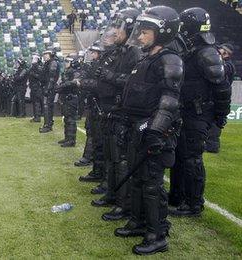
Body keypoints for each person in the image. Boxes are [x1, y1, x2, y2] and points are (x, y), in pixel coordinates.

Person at [114, 6, 183, 255]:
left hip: (155, 132)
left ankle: (157, 234)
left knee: (153, 185)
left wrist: (156, 131)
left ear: (162, 32)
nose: (139, 37)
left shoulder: (169, 59)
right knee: (139, 179)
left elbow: (169, 100)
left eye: (145, 32)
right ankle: (138, 222)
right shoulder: (146, 58)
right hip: (139, 128)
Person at [169, 7, 232, 217]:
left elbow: (222, 87)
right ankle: (176, 195)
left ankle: (194, 204)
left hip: (198, 114)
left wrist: (220, 117)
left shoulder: (206, 52)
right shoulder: (192, 50)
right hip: (185, 112)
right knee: (179, 155)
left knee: (192, 158)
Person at [90, 8, 142, 222]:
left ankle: (123, 204)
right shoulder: (119, 51)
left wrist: (109, 75)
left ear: (129, 28)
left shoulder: (135, 53)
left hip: (121, 111)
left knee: (121, 160)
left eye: (118, 28)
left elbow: (133, 83)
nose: (114, 32)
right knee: (112, 157)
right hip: (109, 110)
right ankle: (112, 194)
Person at [206, 43, 235, 153]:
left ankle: (212, 146)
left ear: (226, 53)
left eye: (222, 51)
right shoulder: (224, 64)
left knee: (215, 123)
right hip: (214, 96)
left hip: (218, 97)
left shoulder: (228, 66)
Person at [55, 58, 81, 147]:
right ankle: (67, 138)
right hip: (66, 97)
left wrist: (61, 86)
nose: (65, 63)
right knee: (66, 118)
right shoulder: (66, 72)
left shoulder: (76, 72)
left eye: (67, 62)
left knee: (70, 119)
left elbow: (73, 82)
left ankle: (71, 140)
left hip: (71, 98)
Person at [39, 48, 61, 133]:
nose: (44, 56)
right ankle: (49, 123)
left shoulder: (53, 63)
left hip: (49, 88)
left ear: (51, 54)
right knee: (48, 106)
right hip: (48, 86)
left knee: (47, 106)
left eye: (46, 54)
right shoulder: (49, 63)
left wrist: (47, 89)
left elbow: (51, 78)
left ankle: (47, 125)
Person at [29, 56, 44, 122]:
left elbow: (41, 77)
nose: (32, 60)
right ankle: (36, 116)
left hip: (37, 87)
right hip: (34, 87)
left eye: (33, 59)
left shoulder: (38, 67)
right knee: (35, 102)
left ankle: (37, 117)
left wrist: (33, 74)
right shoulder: (34, 67)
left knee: (37, 102)